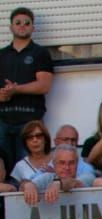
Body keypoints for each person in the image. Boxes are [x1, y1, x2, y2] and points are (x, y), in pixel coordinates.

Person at [0, 7, 53, 171]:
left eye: (27, 23)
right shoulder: (1, 55)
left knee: (29, 170)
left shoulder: (40, 53)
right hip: (2, 121)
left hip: (30, 122)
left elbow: (44, 85)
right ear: (10, 27)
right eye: (18, 22)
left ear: (33, 28)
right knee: (3, 169)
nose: (22, 26)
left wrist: (16, 90)